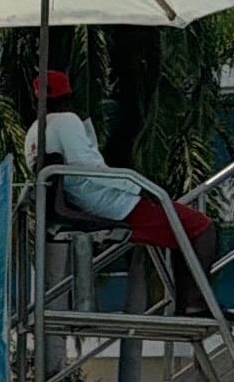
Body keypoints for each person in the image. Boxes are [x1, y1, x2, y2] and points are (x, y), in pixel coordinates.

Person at [24, 69, 219, 303]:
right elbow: (88, 166)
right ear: (68, 95)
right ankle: (194, 303)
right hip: (111, 202)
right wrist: (138, 187)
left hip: (82, 201)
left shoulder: (34, 132)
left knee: (180, 235)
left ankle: (187, 303)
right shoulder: (67, 121)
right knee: (202, 227)